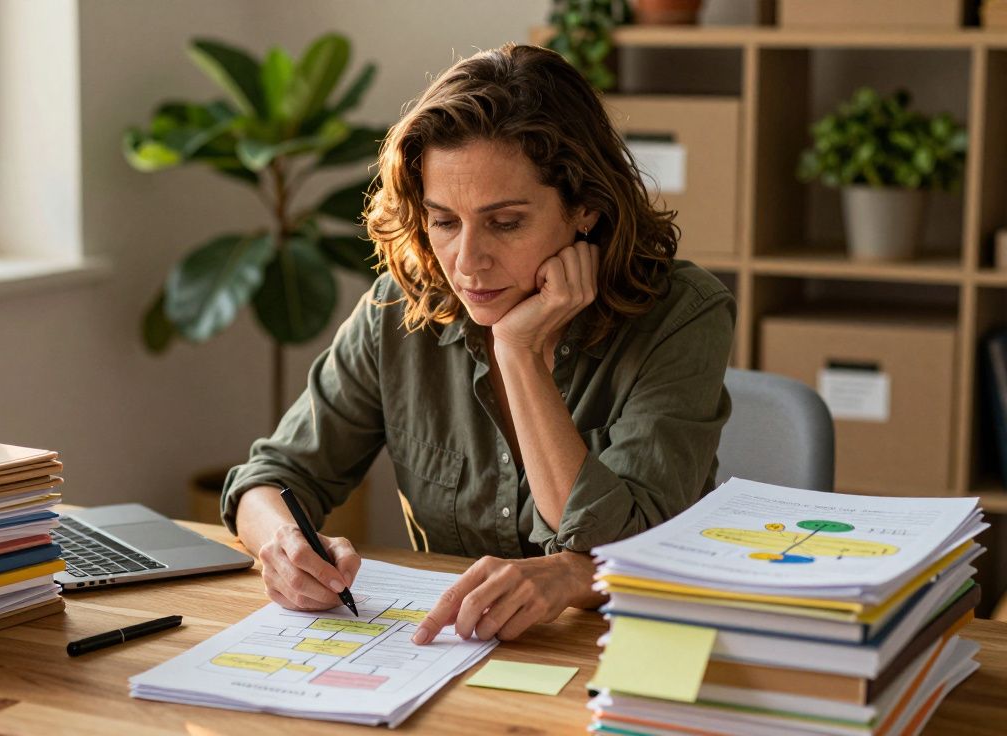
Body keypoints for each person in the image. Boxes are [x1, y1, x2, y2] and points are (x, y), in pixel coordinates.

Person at [220, 43, 734, 644]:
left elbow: (623, 550)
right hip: (447, 654)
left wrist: (518, 355)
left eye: (506, 222)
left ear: (586, 208)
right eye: (443, 221)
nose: (468, 262)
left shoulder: (682, 314)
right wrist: (283, 543)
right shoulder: (399, 307)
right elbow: (272, 475)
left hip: (622, 656)